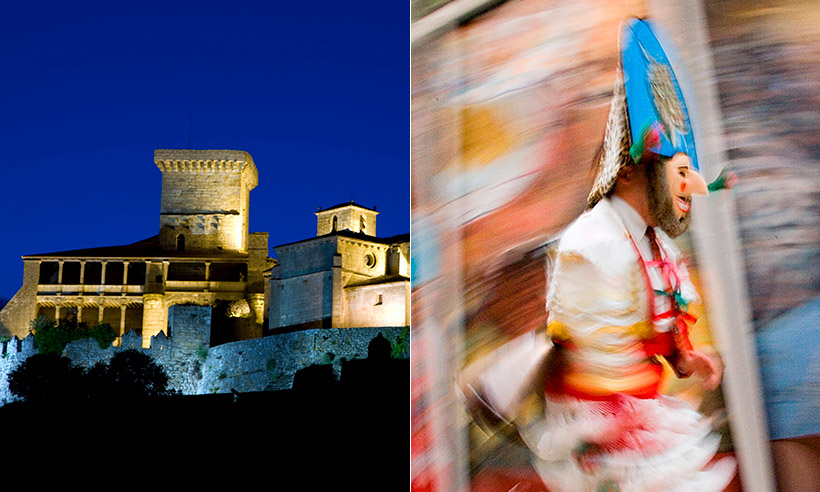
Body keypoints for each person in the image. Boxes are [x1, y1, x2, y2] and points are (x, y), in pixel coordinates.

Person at [519, 18, 737, 492]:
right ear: (628, 175)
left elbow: (658, 327)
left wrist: (687, 361)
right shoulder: (593, 244)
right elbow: (592, 364)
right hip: (598, 433)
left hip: (638, 422)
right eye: (677, 172)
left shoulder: (656, 243)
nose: (690, 186)